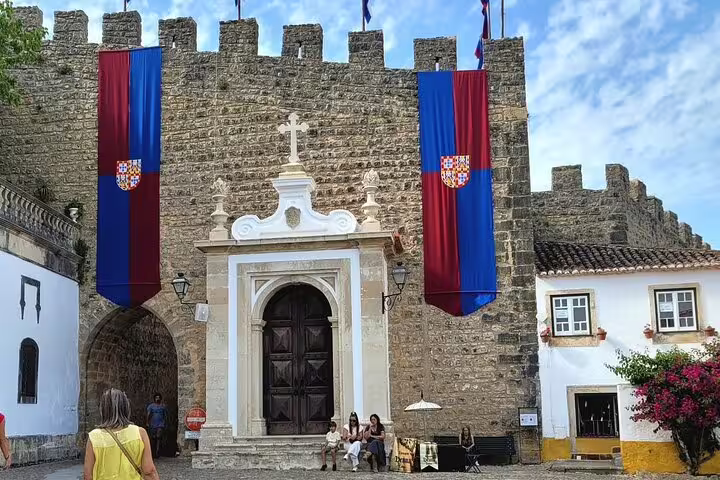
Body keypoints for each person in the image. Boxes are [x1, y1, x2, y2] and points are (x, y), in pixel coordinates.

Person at [83, 388, 159, 480]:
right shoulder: (139, 433)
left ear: (103, 409)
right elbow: (149, 471)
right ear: (126, 408)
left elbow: (88, 476)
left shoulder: (94, 437)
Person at [146, 393, 167, 459]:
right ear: (154, 399)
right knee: (153, 438)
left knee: (159, 437)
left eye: (159, 397)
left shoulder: (163, 406)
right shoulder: (151, 406)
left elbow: (165, 415)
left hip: (160, 424)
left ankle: (158, 451)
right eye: (156, 397)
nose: (157, 399)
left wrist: (166, 423)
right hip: (153, 423)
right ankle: (153, 452)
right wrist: (147, 422)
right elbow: (148, 414)